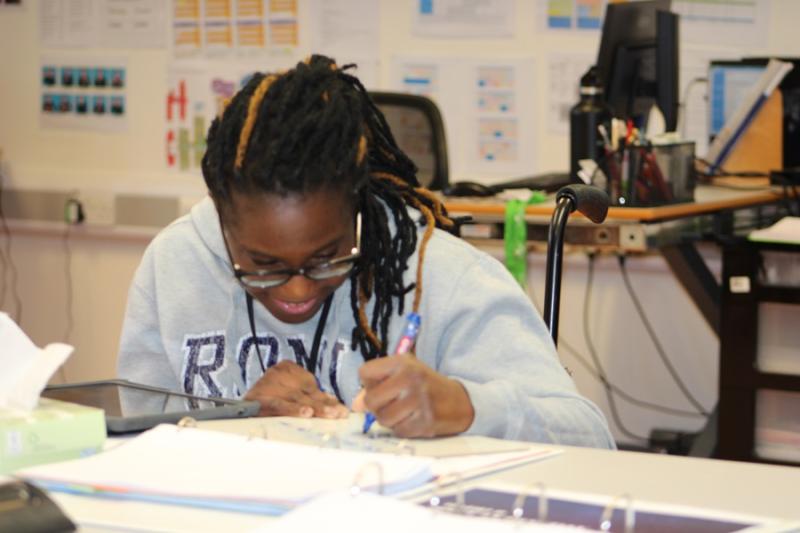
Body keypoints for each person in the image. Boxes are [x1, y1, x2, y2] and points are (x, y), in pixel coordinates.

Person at [117, 55, 614, 447]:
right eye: (263, 266)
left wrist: (466, 406)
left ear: (358, 209)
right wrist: (235, 423)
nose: (297, 288)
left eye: (328, 256)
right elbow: (137, 444)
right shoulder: (174, 264)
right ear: (223, 219)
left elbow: (590, 437)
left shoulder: (442, 275)